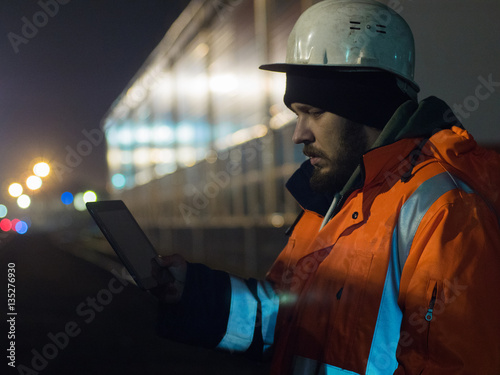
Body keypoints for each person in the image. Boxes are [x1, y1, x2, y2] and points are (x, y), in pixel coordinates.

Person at [150, 0, 500, 373]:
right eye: (296, 115)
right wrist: (192, 292)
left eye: (313, 112)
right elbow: (285, 318)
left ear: (365, 107)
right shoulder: (330, 203)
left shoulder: (445, 210)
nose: (299, 134)